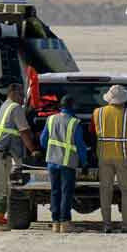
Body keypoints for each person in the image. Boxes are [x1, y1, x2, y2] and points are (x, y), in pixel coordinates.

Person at [0, 83, 40, 231]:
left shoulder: (5, 105)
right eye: (21, 95)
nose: (23, 98)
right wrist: (33, 151)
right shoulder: (15, 108)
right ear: (13, 94)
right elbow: (24, 132)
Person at [91, 84, 127, 233]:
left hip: (103, 156)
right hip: (124, 157)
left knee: (105, 190)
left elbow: (92, 131)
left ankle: (106, 225)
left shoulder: (98, 112)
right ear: (124, 99)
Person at [40, 95, 89, 233]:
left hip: (52, 162)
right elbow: (80, 145)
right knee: (66, 193)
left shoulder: (50, 119)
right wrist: (84, 163)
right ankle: (65, 222)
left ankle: (55, 223)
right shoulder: (75, 123)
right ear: (72, 106)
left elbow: (43, 141)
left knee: (55, 192)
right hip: (67, 163)